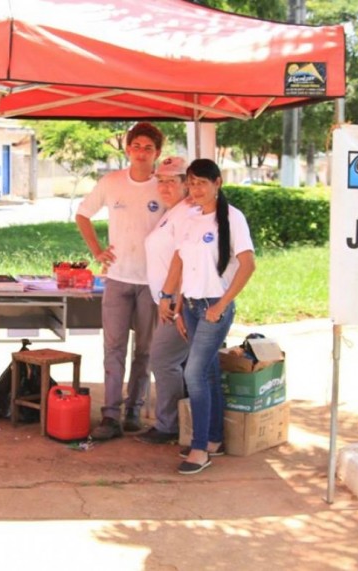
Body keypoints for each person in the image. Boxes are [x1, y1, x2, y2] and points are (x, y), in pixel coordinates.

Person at [159, 158, 255, 475]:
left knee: (194, 374)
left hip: (215, 306)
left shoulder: (232, 218)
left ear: (218, 183)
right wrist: (170, 298)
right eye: (192, 182)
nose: (196, 188)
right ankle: (213, 438)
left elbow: (248, 265)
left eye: (203, 182)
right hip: (192, 305)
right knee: (208, 372)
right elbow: (179, 261)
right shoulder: (190, 218)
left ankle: (200, 450)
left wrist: (222, 304)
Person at [76, 122, 164, 440]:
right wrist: (98, 250)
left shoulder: (164, 186)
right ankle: (110, 416)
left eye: (148, 148)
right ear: (127, 150)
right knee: (113, 348)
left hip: (151, 283)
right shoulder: (112, 182)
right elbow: (82, 214)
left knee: (145, 350)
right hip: (116, 279)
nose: (141, 153)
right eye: (136, 146)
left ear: (157, 153)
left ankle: (134, 412)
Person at [136, 156, 193, 445]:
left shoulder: (187, 214)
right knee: (175, 363)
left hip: (178, 304)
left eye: (172, 180)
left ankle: (169, 425)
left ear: (187, 183)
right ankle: (181, 423)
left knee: (163, 359)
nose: (165, 186)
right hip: (166, 301)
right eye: (161, 180)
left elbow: (184, 259)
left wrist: (173, 298)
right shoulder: (172, 212)